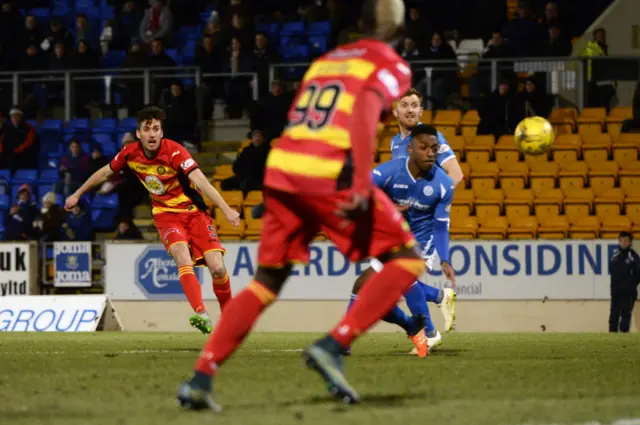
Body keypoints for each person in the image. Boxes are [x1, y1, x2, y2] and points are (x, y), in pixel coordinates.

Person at [177, 0, 423, 410]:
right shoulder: (390, 63)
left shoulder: (327, 61)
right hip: (328, 173)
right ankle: (334, 344)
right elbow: (364, 109)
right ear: (397, 29)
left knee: (264, 284)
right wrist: (361, 183)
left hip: (283, 171)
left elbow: (297, 119)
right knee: (406, 260)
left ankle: (200, 378)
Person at [64, 106, 240, 334]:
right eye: (147, 129)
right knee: (181, 257)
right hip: (166, 216)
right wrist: (77, 194)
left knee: (217, 268)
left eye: (156, 129)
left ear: (162, 132)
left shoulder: (175, 152)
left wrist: (226, 209)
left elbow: (201, 181)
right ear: (139, 134)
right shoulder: (130, 153)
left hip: (194, 212)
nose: (152, 134)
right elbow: (104, 173)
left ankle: (229, 322)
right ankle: (201, 314)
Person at [347, 125, 456, 358]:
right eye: (424, 147)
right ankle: (416, 323)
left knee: (402, 276)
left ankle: (427, 333)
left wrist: (444, 260)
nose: (430, 153)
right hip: (394, 241)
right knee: (364, 289)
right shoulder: (389, 172)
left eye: (434, 148)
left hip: (421, 243)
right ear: (410, 149)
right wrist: (388, 207)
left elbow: (440, 226)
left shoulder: (444, 185)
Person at [387, 88, 460, 344]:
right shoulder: (395, 143)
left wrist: (430, 203)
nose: (409, 109)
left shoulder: (432, 138)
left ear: (421, 111)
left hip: (424, 225)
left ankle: (429, 333)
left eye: (414, 105)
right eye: (404, 104)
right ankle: (440, 300)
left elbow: (455, 174)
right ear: (395, 111)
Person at [609, 232, 640, 333]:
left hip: (628, 293)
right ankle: (611, 339)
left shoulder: (634, 256)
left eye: (626, 240)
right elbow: (612, 271)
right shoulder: (614, 255)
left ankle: (623, 340)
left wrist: (630, 285)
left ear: (630, 242)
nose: (623, 243)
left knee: (625, 316)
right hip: (616, 292)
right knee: (613, 316)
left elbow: (638, 274)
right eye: (621, 240)